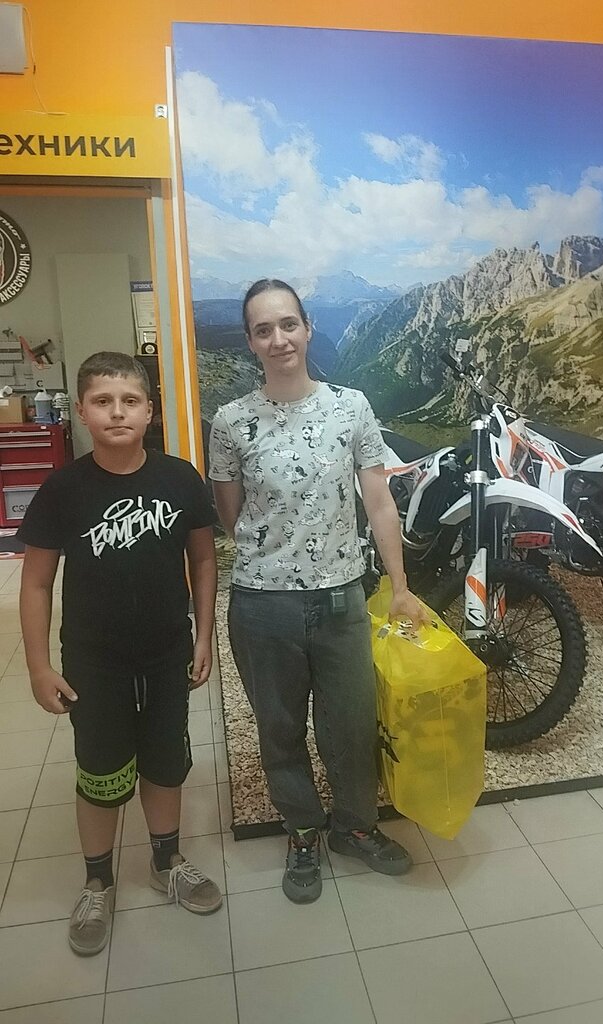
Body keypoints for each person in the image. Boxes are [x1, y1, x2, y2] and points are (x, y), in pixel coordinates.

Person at [209, 278, 429, 904]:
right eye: (263, 330)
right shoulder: (231, 421)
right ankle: (302, 830)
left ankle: (354, 827)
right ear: (251, 342)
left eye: (288, 324)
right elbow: (230, 512)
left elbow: (379, 504)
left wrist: (400, 586)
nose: (278, 339)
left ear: (306, 329)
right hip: (262, 604)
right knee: (279, 727)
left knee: (352, 724)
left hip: (340, 600)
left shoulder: (351, 408)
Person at [18, 351, 222, 957]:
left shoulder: (179, 479)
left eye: (130, 401)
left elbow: (203, 559)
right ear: (82, 412)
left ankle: (166, 861)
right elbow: (36, 584)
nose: (117, 412)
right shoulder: (63, 490)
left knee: (165, 762)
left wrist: (204, 634)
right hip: (93, 662)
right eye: (102, 401)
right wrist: (38, 665)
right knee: (101, 771)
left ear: (150, 411)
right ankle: (98, 881)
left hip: (167, 654)